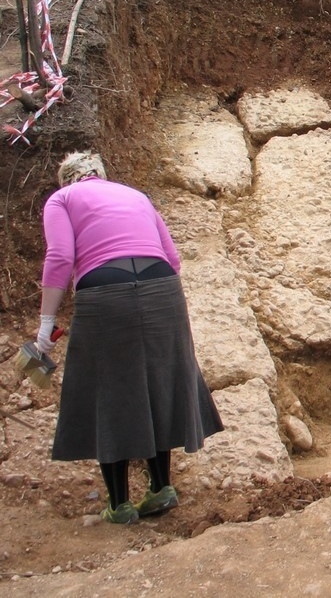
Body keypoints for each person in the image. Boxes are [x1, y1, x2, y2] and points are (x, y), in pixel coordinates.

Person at [37, 151, 223, 523]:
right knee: (158, 382)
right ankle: (161, 488)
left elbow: (60, 256)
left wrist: (46, 323)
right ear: (100, 175)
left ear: (68, 179)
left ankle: (119, 504)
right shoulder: (136, 196)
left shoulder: (62, 199)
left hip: (105, 294)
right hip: (163, 289)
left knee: (108, 389)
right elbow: (172, 257)